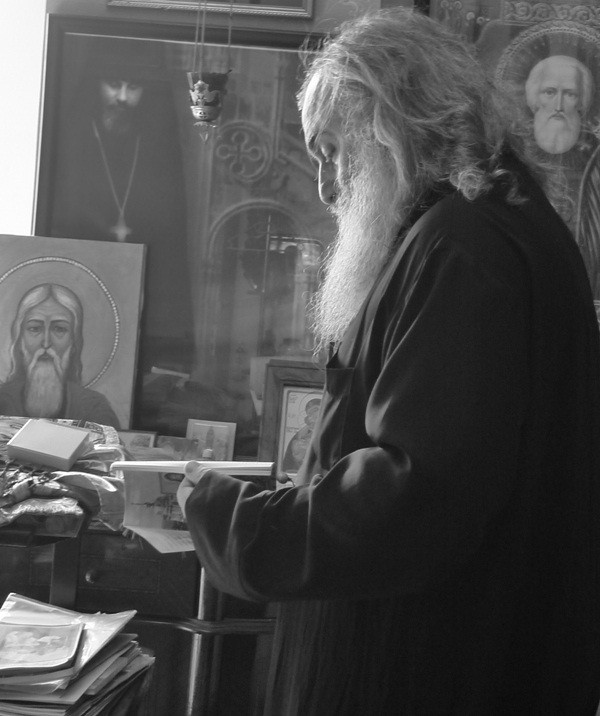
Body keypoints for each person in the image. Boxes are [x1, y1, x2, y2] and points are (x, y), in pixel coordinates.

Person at [177, 8, 600, 714]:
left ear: (386, 124)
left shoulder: (465, 246)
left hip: (433, 670)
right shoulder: (482, 222)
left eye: (331, 151)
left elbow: (417, 495)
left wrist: (235, 523)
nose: (324, 186)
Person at [48, 39, 193, 425]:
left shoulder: (154, 144)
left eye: (134, 87)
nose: (124, 98)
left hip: (143, 286)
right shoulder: (77, 140)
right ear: (96, 84)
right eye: (114, 85)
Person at [0, 284, 120, 428]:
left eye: (59, 329)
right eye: (34, 328)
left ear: (74, 342)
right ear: (20, 340)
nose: (46, 343)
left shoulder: (94, 407)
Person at [281, 396, 321, 473]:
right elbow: (289, 464)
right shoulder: (300, 436)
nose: (312, 417)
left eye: (316, 411)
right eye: (310, 414)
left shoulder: (329, 433)